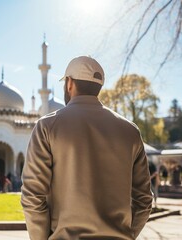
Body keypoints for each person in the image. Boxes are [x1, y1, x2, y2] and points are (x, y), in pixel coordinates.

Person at [21, 56, 152, 240]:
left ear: (69, 83)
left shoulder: (47, 126)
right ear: (99, 87)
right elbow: (144, 201)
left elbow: (33, 197)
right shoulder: (130, 131)